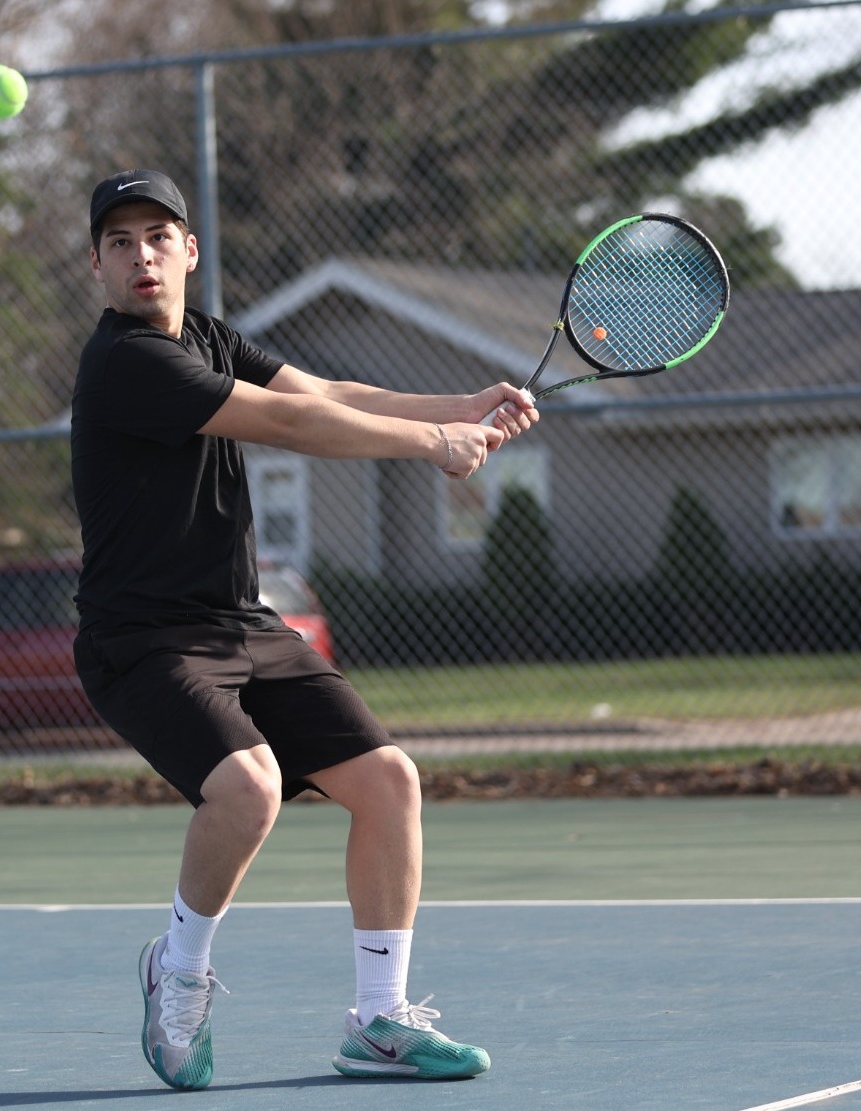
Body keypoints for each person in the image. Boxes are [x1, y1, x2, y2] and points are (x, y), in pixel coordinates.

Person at [70, 168, 537, 1089]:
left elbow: (326, 389)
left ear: (189, 252)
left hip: (241, 621)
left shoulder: (206, 336)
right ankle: (179, 969)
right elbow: (287, 420)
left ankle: (379, 1019)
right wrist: (431, 447)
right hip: (143, 640)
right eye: (119, 243)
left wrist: (459, 407)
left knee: (390, 782)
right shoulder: (128, 362)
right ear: (98, 266)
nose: (141, 256)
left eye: (158, 237)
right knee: (250, 787)